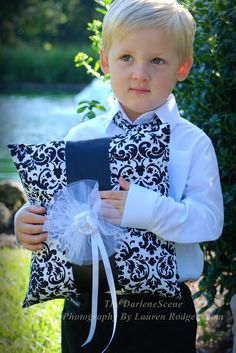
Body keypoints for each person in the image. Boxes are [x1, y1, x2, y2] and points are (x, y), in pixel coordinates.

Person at [14, 0, 224, 352]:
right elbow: (64, 210)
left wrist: (146, 208)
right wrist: (30, 223)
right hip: (88, 307)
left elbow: (210, 222)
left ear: (182, 67)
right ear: (105, 61)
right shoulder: (82, 136)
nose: (140, 72)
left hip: (164, 313)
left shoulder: (192, 143)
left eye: (157, 60)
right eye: (127, 57)